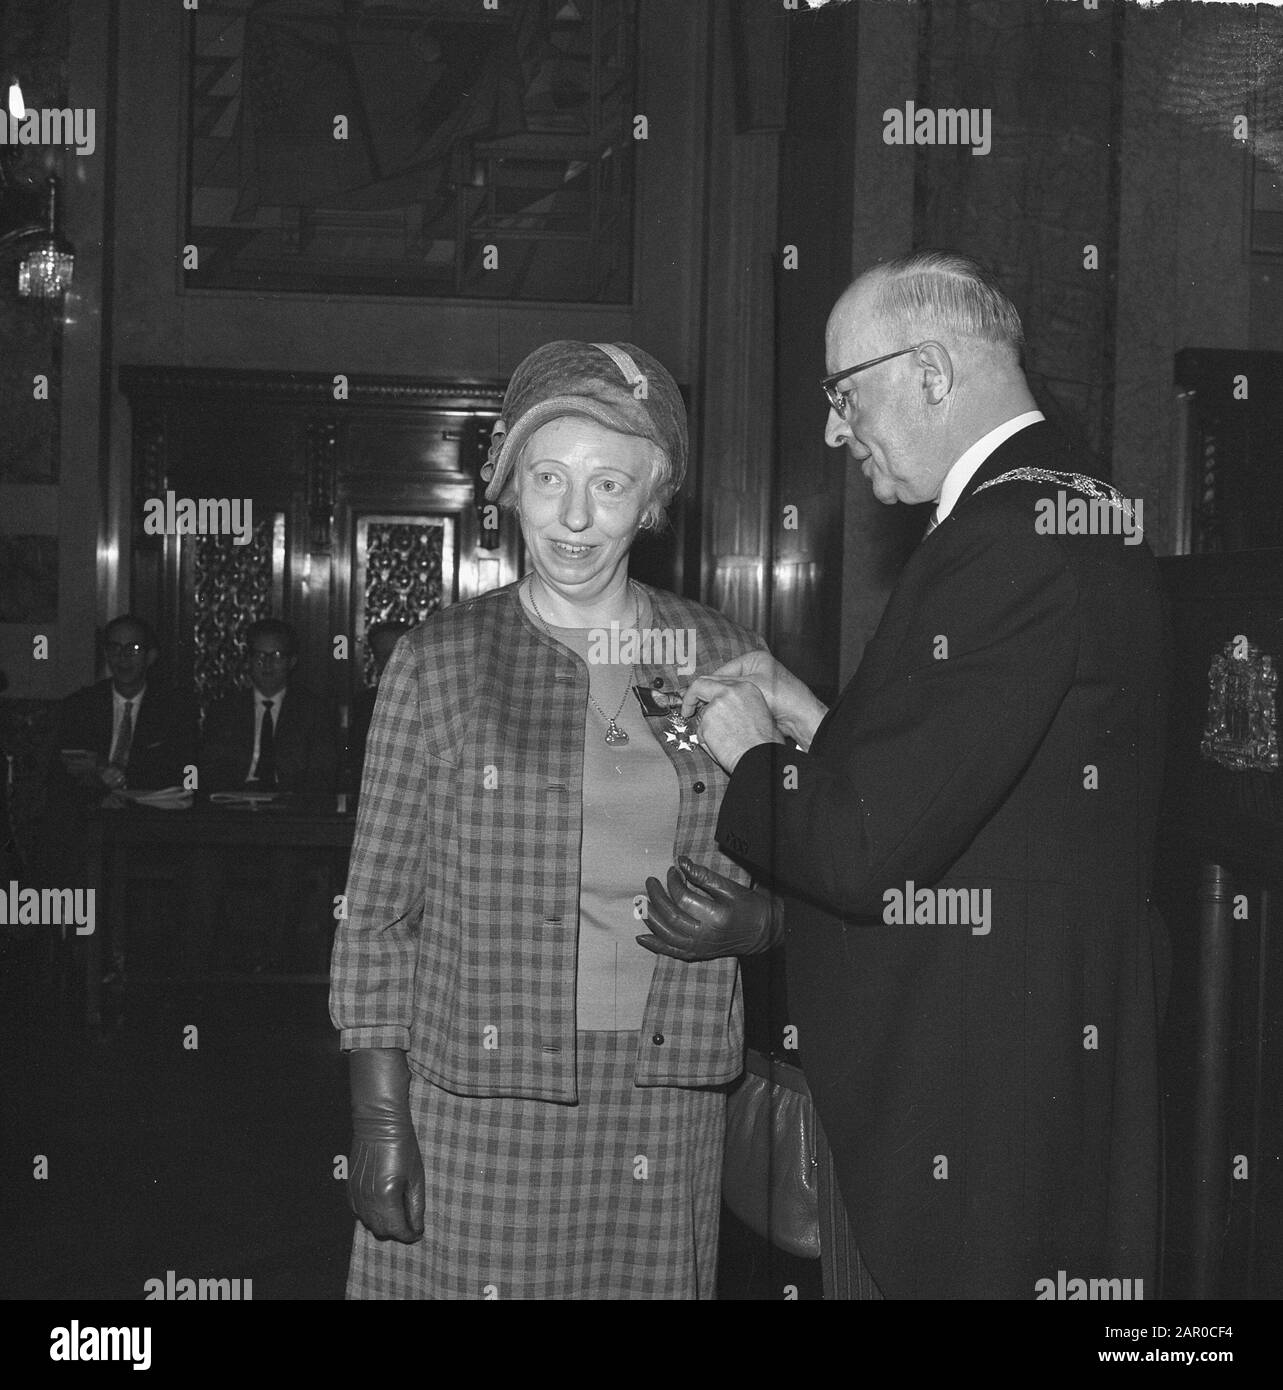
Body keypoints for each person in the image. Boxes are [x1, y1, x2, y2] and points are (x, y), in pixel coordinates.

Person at [653, 251, 1168, 1300]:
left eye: (847, 394)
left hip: (963, 1099)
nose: (837, 432)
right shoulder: (1073, 508)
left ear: (930, 372)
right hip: (1033, 1061)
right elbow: (993, 793)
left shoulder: (999, 539)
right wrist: (813, 717)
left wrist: (748, 747)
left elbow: (860, 851)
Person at [330, 340, 781, 1299]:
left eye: (610, 485)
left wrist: (766, 925)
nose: (574, 518)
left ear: (652, 503)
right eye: (547, 479)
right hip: (478, 1098)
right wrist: (379, 1118)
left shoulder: (723, 655)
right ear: (508, 487)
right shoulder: (438, 661)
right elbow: (374, 916)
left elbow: (829, 853)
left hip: (663, 1101)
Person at [52, 614, 198, 796]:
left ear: (150, 656)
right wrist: (98, 773)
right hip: (92, 810)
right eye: (115, 648)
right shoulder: (82, 705)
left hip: (150, 810)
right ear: (106, 654)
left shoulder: (174, 707)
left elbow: (181, 770)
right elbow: (65, 767)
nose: (123, 657)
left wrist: (121, 775)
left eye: (133, 649)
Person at [200, 618, 338, 795]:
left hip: (291, 808)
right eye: (259, 655)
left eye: (277, 656)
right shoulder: (225, 710)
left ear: (292, 661)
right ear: (249, 660)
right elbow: (209, 769)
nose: (267, 663)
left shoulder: (313, 710)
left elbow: (323, 774)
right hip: (235, 806)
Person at [346, 621, 410, 792]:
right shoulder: (365, 705)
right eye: (385, 655)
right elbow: (356, 763)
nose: (393, 661)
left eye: (399, 653)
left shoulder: (436, 700)